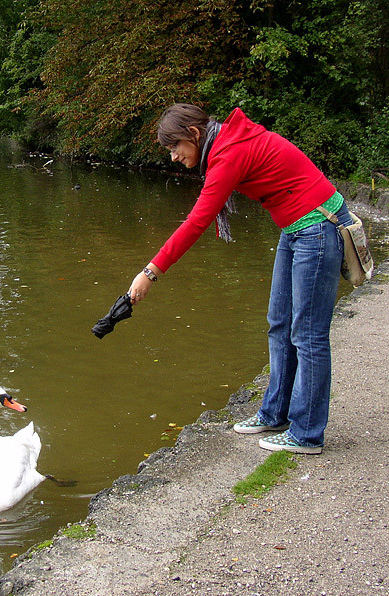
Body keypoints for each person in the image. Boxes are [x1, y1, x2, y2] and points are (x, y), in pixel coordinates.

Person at [128, 103, 354, 455]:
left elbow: (198, 221)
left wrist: (150, 272)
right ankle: (276, 413)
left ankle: (307, 433)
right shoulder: (226, 143)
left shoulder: (229, 154)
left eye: (174, 148)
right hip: (295, 227)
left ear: (194, 135)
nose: (173, 156)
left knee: (307, 334)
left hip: (319, 226)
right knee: (279, 324)